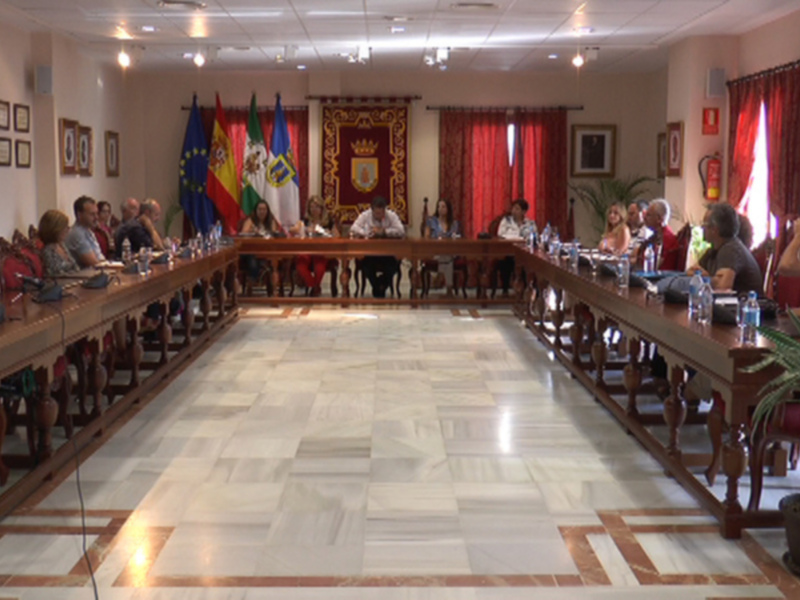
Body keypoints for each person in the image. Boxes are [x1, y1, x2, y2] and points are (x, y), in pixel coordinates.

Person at [686, 202, 762, 292]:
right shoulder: (713, 250)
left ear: (714, 229)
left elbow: (722, 287)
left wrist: (705, 277)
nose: (702, 227)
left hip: (746, 301)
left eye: (705, 224)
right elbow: (690, 271)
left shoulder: (731, 249)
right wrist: (704, 276)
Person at [350, 196, 405, 298]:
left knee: (393, 265)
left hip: (387, 253)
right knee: (366, 265)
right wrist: (366, 232)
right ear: (372, 210)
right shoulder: (365, 215)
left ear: (385, 210)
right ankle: (378, 286)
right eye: (376, 213)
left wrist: (385, 231)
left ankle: (380, 286)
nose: (379, 215)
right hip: (370, 253)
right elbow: (354, 228)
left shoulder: (391, 215)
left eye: (381, 213)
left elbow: (401, 230)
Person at [289, 195, 338, 296]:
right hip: (306, 250)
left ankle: (315, 289)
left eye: (316, 207)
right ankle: (314, 286)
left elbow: (337, 236)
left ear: (321, 208)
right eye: (311, 207)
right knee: (300, 263)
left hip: (321, 250)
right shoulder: (305, 220)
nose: (314, 209)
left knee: (319, 265)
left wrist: (326, 232)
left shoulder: (328, 221)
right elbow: (292, 230)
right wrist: (303, 229)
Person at [495, 198, 535, 296]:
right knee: (505, 263)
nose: (514, 211)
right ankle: (505, 290)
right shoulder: (506, 221)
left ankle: (526, 289)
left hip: (524, 253)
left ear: (524, 211)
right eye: (513, 208)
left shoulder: (530, 223)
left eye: (517, 209)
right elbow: (500, 234)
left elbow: (534, 236)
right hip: (508, 252)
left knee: (529, 264)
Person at [239, 200, 282, 286]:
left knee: (274, 260)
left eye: (264, 209)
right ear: (256, 210)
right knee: (252, 259)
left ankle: (269, 281)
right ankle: (254, 279)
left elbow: (274, 235)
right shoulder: (250, 220)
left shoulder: (271, 221)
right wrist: (252, 232)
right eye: (259, 209)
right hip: (252, 249)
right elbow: (243, 233)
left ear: (267, 211)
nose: (262, 212)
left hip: (267, 250)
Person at [65, 195, 105, 267]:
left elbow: (100, 257)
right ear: (79, 215)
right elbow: (93, 263)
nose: (96, 217)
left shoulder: (88, 231)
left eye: (97, 213)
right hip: (86, 273)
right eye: (92, 214)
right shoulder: (77, 233)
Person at [641, 198, 681, 271]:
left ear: (659, 219)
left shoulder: (667, 239)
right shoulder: (657, 235)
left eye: (648, 215)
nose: (644, 218)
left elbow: (663, 268)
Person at [39, 209, 80, 277]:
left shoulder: (62, 245)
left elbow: (75, 267)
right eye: (64, 227)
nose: (68, 230)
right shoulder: (48, 251)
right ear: (55, 229)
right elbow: (56, 275)